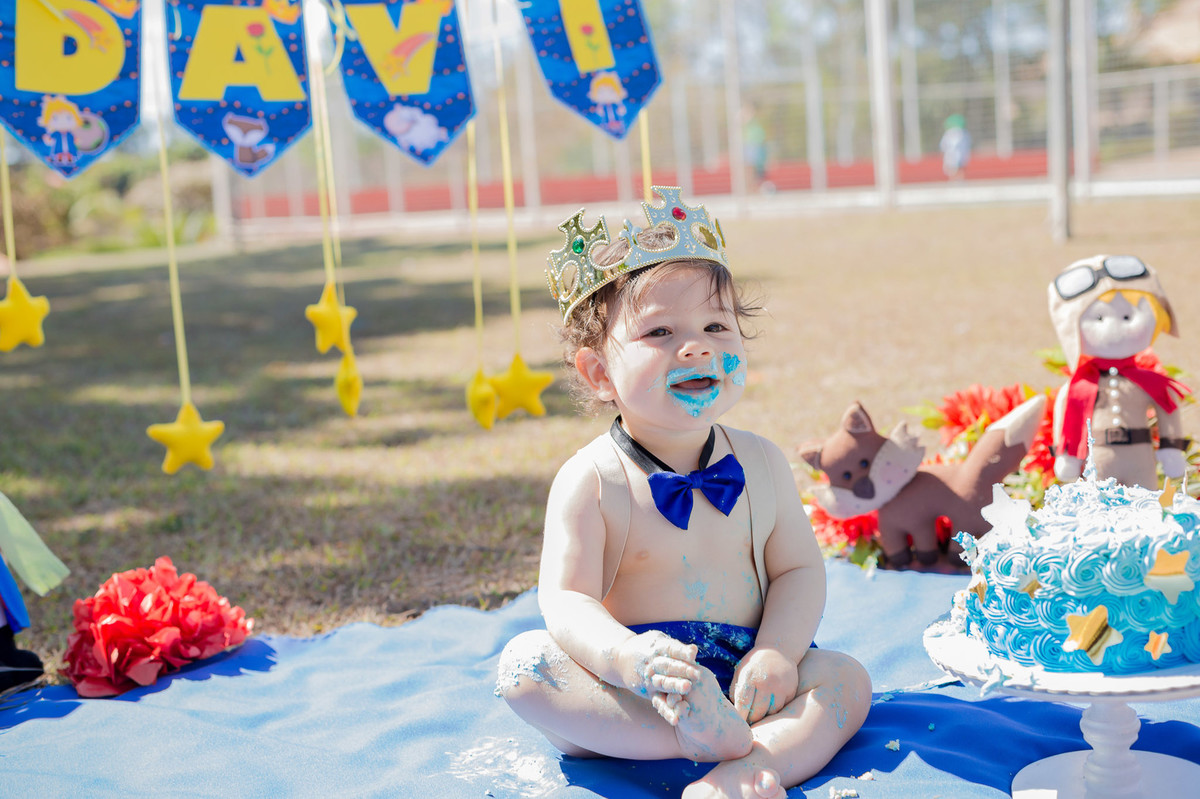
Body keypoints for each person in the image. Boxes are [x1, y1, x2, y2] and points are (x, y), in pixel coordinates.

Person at [497, 187, 870, 798]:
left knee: (846, 680)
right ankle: (691, 738)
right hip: (640, 686)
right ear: (598, 374)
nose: (696, 347)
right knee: (526, 668)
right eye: (661, 331)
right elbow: (567, 600)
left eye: (716, 326)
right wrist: (625, 659)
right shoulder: (590, 480)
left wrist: (778, 652)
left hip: (750, 672)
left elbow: (800, 569)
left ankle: (750, 767)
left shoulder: (761, 463)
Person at [939, 114, 971, 180]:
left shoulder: (950, 133)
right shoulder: (963, 133)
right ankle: (957, 180)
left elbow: (943, 146)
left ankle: (956, 180)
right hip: (955, 155)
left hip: (953, 155)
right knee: (955, 169)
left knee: (955, 169)